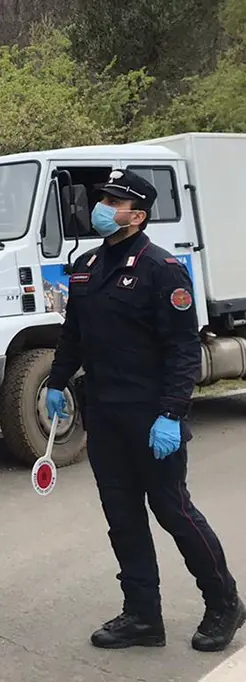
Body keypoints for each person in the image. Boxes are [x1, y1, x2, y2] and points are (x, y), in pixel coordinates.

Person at [46, 169, 243, 653]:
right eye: (103, 199)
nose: (102, 207)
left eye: (113, 201)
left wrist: (172, 413)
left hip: (151, 415)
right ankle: (142, 616)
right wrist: (56, 380)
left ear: (137, 214)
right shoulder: (88, 265)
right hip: (106, 415)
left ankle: (224, 603)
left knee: (173, 510)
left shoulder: (162, 269)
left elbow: (182, 349)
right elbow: (74, 333)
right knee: (122, 517)